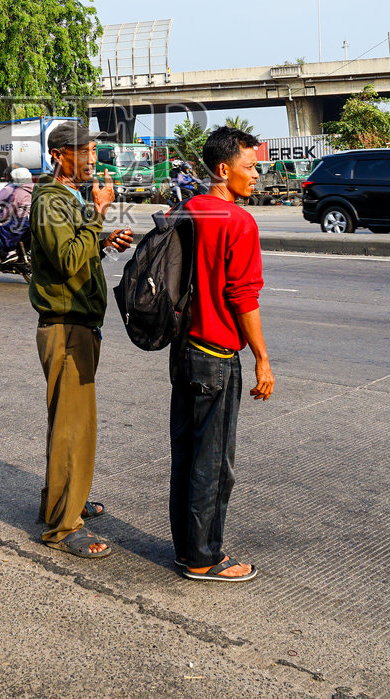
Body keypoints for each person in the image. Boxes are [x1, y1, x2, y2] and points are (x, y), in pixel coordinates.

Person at [168, 126, 275, 582]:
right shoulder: (239, 222)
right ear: (223, 169)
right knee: (214, 464)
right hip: (215, 353)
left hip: (183, 350)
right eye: (250, 168)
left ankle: (186, 548)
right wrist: (262, 358)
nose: (257, 175)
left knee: (187, 455)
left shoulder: (185, 210)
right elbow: (243, 296)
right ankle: (204, 558)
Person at [28, 122, 135, 558]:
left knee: (73, 423)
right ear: (58, 156)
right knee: (73, 429)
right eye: (83, 152)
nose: (92, 159)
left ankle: (62, 502)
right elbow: (70, 259)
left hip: (79, 324)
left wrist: (104, 241)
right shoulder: (52, 202)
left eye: (93, 150)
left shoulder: (68, 199)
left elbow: (78, 249)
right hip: (65, 326)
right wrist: (99, 214)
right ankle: (62, 527)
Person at [0, 167, 34, 267]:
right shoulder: (35, 188)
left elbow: (1, 206)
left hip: (17, 222)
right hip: (32, 221)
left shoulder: (14, 190)